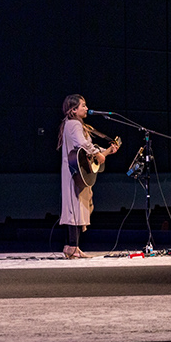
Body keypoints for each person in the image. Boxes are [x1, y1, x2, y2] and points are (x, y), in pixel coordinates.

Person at [58, 94, 119, 259]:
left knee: (78, 208)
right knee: (75, 208)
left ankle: (71, 246)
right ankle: (72, 246)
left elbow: (88, 153)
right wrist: (97, 153)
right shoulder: (74, 124)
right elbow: (82, 144)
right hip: (74, 172)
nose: (86, 108)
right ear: (74, 109)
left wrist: (105, 152)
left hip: (76, 171)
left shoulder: (76, 125)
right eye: (83, 106)